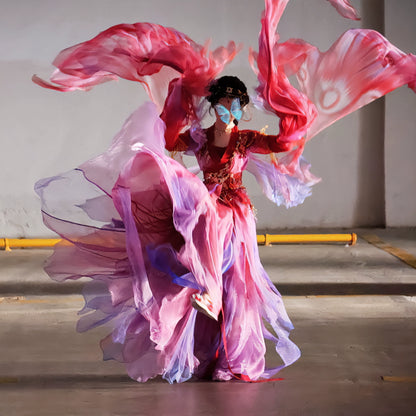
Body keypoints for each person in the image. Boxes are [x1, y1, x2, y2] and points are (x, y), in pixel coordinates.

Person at [33, 0, 416, 383]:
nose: (227, 114)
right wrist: (175, 101)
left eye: (234, 108)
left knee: (238, 283)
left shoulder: (247, 140)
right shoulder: (199, 138)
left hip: (232, 214)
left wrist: (291, 114)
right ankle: (206, 315)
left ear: (242, 111)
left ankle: (227, 343)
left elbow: (281, 145)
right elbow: (169, 144)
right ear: (214, 107)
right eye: (222, 107)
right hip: (202, 213)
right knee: (188, 217)